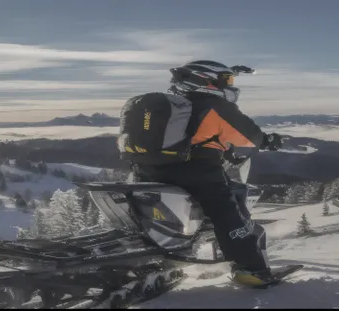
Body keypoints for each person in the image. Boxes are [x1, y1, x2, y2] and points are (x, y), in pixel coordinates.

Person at [121, 60, 283, 284]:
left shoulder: (176, 106)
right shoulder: (214, 105)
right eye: (226, 79)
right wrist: (268, 140)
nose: (230, 85)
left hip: (147, 169)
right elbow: (248, 137)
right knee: (228, 214)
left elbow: (197, 138)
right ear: (205, 79)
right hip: (196, 171)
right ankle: (251, 270)